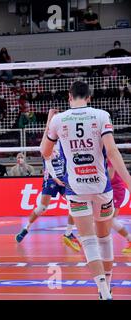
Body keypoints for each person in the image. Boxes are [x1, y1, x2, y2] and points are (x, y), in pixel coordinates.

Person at [41, 81, 131, 300]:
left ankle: (102, 291)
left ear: (69, 97)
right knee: (104, 238)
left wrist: (49, 123)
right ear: (89, 97)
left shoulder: (59, 119)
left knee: (88, 240)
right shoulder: (101, 115)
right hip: (101, 187)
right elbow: (112, 151)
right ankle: (107, 286)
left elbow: (45, 151)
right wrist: (129, 181)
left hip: (76, 188)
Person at [15, 142, 81, 251]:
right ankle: (26, 228)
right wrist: (55, 178)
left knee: (74, 204)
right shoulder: (46, 142)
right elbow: (48, 163)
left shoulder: (62, 141)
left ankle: (68, 233)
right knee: (42, 207)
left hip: (63, 178)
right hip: (50, 179)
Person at [108, 160, 131, 253]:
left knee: (110, 219)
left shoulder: (108, 157)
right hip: (107, 191)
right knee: (106, 219)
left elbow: (110, 176)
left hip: (115, 190)